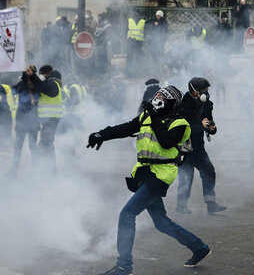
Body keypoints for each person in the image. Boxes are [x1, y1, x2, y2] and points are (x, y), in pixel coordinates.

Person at [87, 85, 212, 275]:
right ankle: (199, 247)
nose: (158, 97)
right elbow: (126, 128)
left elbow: (166, 141)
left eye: (163, 96)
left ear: (171, 102)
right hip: (146, 173)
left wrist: (153, 116)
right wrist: (101, 135)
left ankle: (124, 266)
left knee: (127, 214)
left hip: (161, 176)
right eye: (158, 94)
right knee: (161, 222)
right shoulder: (146, 116)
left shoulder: (180, 123)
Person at [176, 77, 226, 214]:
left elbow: (209, 124)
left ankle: (211, 204)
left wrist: (212, 128)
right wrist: (200, 126)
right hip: (184, 147)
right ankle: (181, 205)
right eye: (204, 90)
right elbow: (181, 127)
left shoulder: (208, 105)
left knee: (209, 171)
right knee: (186, 176)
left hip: (198, 147)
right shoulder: (183, 104)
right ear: (194, 91)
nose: (206, 93)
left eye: (207, 90)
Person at [10, 65, 40, 177]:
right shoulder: (26, 84)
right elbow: (13, 91)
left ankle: (16, 171)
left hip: (27, 121)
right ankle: (18, 170)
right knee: (25, 147)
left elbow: (13, 90)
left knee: (21, 147)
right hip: (28, 122)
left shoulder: (29, 85)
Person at [34, 65, 64, 176]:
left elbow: (43, 88)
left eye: (42, 74)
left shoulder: (52, 84)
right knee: (46, 143)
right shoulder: (53, 84)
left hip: (51, 118)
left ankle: (50, 171)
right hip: (50, 118)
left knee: (46, 144)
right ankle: (46, 169)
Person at [126, 12, 145, 77]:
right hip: (132, 41)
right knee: (131, 58)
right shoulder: (130, 20)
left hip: (137, 42)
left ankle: (135, 73)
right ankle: (129, 73)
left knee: (136, 58)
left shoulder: (142, 21)